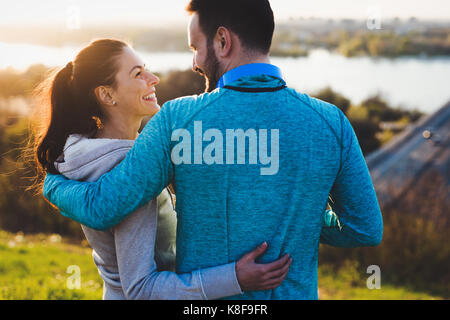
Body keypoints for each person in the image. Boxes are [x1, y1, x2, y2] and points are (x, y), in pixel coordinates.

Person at [43, 0, 383, 300]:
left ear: (223, 41)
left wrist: (54, 185)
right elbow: (364, 228)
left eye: (196, 47)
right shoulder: (331, 122)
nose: (194, 62)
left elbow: (105, 205)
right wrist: (300, 215)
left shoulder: (178, 120)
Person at [32, 39, 294, 299]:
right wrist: (234, 277)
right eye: (138, 74)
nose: (153, 78)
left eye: (145, 68)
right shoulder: (127, 169)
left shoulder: (86, 153)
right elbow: (140, 289)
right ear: (107, 94)